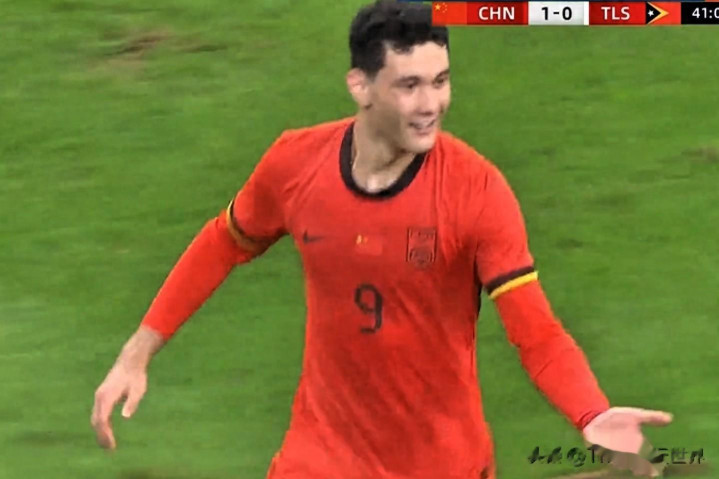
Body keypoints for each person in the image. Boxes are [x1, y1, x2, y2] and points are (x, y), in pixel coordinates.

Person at [91, 1, 673, 477]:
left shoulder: (476, 191)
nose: (431, 105)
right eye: (409, 85)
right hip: (320, 457)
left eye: (441, 81)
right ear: (360, 86)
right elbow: (225, 241)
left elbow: (536, 331)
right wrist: (136, 353)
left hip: (441, 465)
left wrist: (591, 413)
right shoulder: (295, 164)